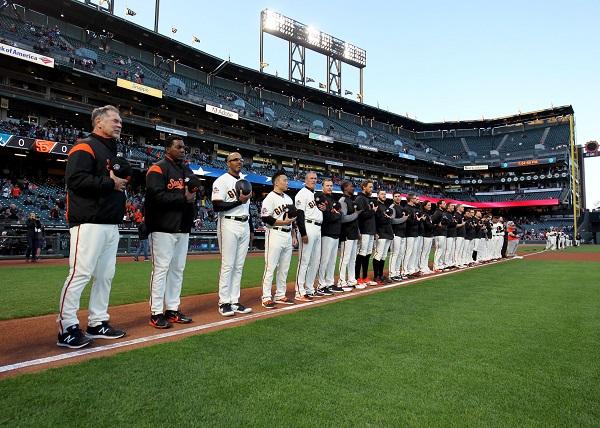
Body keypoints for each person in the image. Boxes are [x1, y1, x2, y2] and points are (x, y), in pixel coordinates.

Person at [57, 105, 128, 349]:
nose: (119, 124)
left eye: (120, 121)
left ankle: (97, 322)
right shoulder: (85, 145)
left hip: (110, 222)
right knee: (80, 273)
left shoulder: (112, 150)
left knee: (105, 275)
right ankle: (66, 327)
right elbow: (74, 180)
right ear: (99, 122)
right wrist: (110, 183)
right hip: (88, 221)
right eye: (115, 120)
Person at [145, 136, 196, 328]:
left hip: (182, 227)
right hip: (162, 227)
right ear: (168, 148)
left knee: (177, 270)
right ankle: (156, 312)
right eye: (179, 147)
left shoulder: (186, 170)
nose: (183, 150)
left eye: (184, 147)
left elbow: (194, 191)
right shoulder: (158, 168)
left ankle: (172, 309)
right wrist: (183, 198)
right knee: (161, 270)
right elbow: (156, 197)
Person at [212, 152, 253, 316]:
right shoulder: (221, 181)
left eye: (241, 159)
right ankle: (224, 302)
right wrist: (238, 201)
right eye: (235, 159)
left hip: (244, 223)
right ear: (228, 163)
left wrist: (250, 227)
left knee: (239, 265)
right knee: (228, 264)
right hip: (227, 222)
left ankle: (235, 300)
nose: (239, 162)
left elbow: (246, 207)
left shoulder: (245, 182)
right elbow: (217, 206)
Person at [259, 170, 297, 308]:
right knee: (270, 267)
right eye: (284, 180)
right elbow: (266, 218)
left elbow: (292, 219)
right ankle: (266, 296)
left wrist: (293, 235)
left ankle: (280, 294)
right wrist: (283, 223)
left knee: (284, 267)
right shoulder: (269, 198)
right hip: (274, 233)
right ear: (276, 182)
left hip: (287, 235)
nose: (287, 182)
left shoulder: (288, 198)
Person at [294, 171, 326, 301]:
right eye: (311, 178)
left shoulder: (316, 195)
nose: (314, 180)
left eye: (315, 178)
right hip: (307, 226)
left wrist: (323, 210)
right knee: (304, 261)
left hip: (318, 227)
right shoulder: (302, 193)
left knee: (315, 261)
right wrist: (303, 232)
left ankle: (309, 288)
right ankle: (299, 290)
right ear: (306, 180)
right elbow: (300, 214)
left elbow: (318, 210)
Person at [318, 178, 343, 293]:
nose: (329, 187)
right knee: (324, 260)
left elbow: (340, 215)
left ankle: (330, 283)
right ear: (322, 186)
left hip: (335, 233)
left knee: (332, 261)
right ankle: (321, 285)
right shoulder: (321, 197)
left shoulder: (333, 199)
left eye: (331, 185)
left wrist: (335, 214)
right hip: (326, 233)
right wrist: (336, 215)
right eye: (327, 185)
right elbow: (326, 217)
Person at [337, 181, 361, 291]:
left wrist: (358, 232)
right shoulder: (342, 200)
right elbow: (343, 218)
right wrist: (356, 214)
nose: (353, 187)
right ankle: (341, 281)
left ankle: (351, 280)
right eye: (351, 186)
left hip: (353, 233)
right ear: (345, 188)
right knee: (345, 258)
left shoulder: (350, 200)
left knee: (352, 259)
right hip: (346, 233)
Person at [355, 180, 378, 286]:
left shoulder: (369, 199)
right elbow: (361, 215)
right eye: (370, 187)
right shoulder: (360, 198)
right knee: (361, 254)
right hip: (364, 230)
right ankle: (357, 277)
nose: (371, 188)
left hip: (370, 231)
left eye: (372, 187)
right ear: (364, 187)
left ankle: (364, 276)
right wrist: (373, 211)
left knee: (367, 254)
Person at [373, 190, 394, 284]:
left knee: (384, 255)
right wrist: (376, 232)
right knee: (378, 254)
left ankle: (381, 275)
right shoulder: (376, 205)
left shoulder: (385, 206)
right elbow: (376, 219)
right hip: (380, 233)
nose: (384, 195)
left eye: (385, 194)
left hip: (388, 233)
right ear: (377, 195)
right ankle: (376, 276)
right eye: (382, 194)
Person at [389, 192, 409, 281]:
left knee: (400, 254)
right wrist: (403, 219)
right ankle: (392, 274)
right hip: (395, 233)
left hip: (402, 233)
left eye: (398, 196)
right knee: (395, 253)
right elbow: (392, 221)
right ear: (393, 198)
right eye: (395, 196)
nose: (397, 198)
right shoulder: (392, 207)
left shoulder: (401, 207)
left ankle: (397, 272)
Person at [418, 200, 434, 275]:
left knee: (427, 252)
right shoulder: (423, 213)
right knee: (424, 252)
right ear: (424, 206)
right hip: (425, 234)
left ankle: (425, 266)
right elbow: (427, 225)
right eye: (428, 205)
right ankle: (422, 267)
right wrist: (433, 226)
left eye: (430, 205)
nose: (430, 206)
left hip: (430, 234)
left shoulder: (428, 214)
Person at [431, 200, 448, 272]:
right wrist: (437, 224)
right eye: (444, 203)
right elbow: (433, 221)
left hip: (442, 232)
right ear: (440, 205)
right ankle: (435, 266)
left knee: (441, 250)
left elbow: (446, 222)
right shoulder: (437, 212)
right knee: (439, 249)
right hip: (438, 233)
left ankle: (439, 265)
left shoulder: (442, 212)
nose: (445, 205)